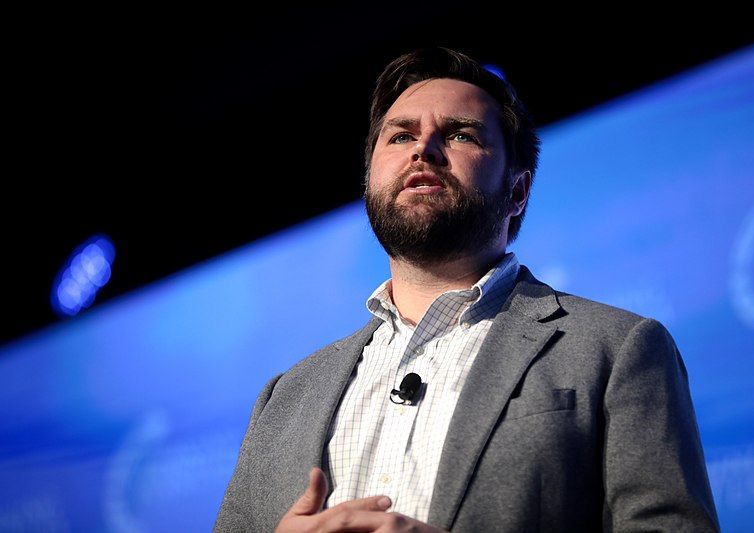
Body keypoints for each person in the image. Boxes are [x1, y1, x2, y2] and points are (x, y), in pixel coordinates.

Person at [214, 47, 720, 532]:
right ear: (369, 180)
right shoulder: (285, 397)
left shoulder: (617, 348)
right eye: (400, 136)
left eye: (460, 135)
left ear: (517, 191)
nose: (423, 150)